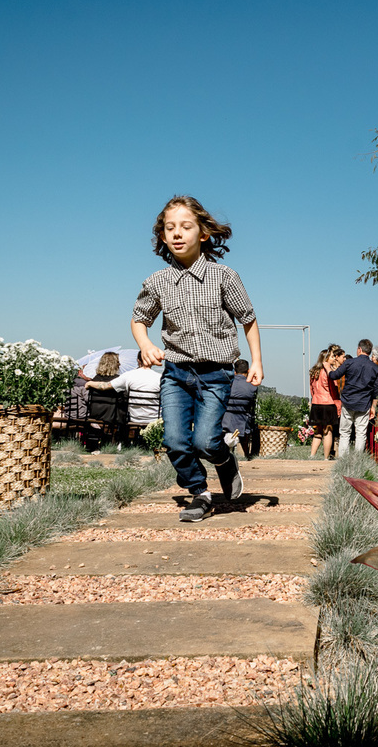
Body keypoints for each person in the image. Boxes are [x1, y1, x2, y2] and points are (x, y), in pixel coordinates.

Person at [131, 195, 262, 523]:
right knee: (175, 440)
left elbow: (248, 319)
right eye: (170, 228)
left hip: (216, 374)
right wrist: (145, 344)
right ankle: (200, 492)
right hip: (176, 373)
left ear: (203, 233)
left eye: (185, 227)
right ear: (163, 236)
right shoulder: (157, 282)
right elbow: (139, 319)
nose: (177, 233)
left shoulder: (224, 276)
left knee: (205, 442)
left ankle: (223, 460)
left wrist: (257, 361)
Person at [328, 338, 378, 456]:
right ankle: (357, 460)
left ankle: (343, 459)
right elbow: (377, 391)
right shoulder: (375, 368)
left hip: (348, 402)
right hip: (364, 403)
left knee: (345, 432)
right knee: (361, 434)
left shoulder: (349, 363)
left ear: (359, 349)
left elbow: (335, 375)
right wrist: (373, 406)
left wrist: (327, 368)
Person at [87, 353, 162, 425]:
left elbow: (105, 386)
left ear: (138, 360)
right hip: (155, 419)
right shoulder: (160, 378)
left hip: (134, 419)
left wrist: (89, 383)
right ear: (152, 361)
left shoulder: (129, 375)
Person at [222, 359, 258, 460]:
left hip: (225, 421)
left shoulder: (227, 384)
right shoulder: (252, 387)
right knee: (254, 426)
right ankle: (248, 454)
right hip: (243, 423)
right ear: (248, 371)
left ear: (235, 372)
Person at [308, 349, 340, 460]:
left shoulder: (314, 372)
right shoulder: (328, 372)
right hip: (328, 403)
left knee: (318, 432)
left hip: (316, 403)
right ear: (326, 359)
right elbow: (333, 389)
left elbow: (311, 389)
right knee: (328, 432)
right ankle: (326, 458)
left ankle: (312, 455)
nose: (334, 359)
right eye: (332, 357)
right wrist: (337, 403)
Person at [86, 351, 125, 437]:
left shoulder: (94, 379)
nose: (119, 364)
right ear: (114, 364)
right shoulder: (118, 380)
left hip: (95, 414)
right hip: (112, 416)